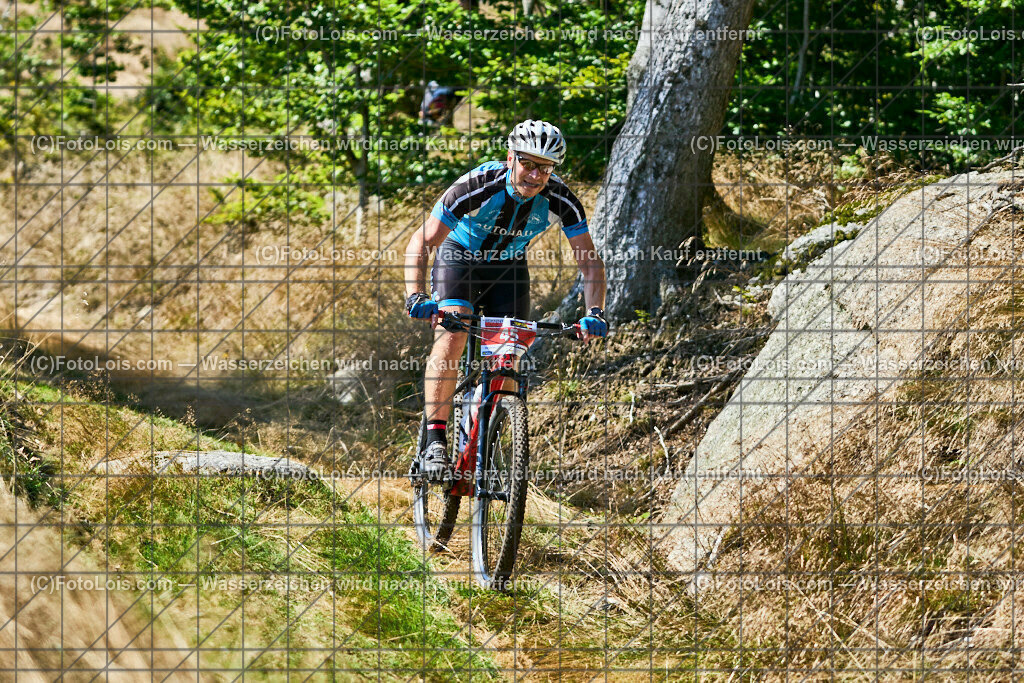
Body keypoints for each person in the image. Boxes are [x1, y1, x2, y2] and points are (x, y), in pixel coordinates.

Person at [403, 119, 608, 479]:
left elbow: (590, 263)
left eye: (545, 168)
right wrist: (416, 295)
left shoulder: (561, 199)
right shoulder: (478, 185)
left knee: (507, 356)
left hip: (508, 268)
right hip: (460, 257)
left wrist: (595, 312)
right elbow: (423, 241)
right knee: (453, 333)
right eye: (528, 163)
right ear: (510, 157)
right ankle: (435, 442)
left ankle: (490, 441)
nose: (535, 174)